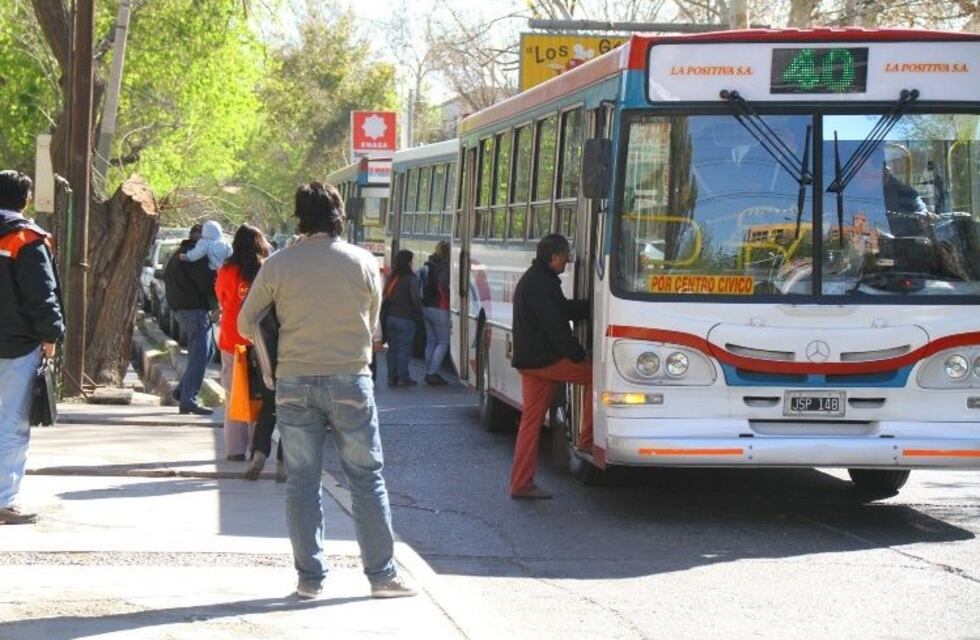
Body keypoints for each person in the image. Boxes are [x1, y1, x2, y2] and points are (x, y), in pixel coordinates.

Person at [238, 181, 415, 600]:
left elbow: (245, 324)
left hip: (293, 383)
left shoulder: (278, 264)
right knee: (366, 479)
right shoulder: (363, 261)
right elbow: (373, 326)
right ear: (339, 215)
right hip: (351, 379)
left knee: (302, 482)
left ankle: (310, 580)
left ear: (300, 216)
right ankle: (382, 577)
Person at [0, 170, 64, 525]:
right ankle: (3, 500)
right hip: (17, 346)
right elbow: (42, 295)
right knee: (11, 423)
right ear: (24, 200)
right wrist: (51, 336)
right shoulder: (26, 238)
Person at [509, 234, 592, 500]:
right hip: (546, 361)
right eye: (565, 256)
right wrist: (578, 354)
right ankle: (587, 441)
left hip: (529, 361)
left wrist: (591, 307)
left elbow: (561, 309)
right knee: (598, 377)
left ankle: (521, 483)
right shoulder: (542, 283)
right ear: (553, 257)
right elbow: (557, 328)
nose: (567, 261)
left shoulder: (535, 279)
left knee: (530, 423)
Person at [215, 224, 273, 464]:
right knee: (260, 395)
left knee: (233, 394)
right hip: (260, 341)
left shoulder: (227, 270)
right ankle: (256, 446)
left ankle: (234, 449)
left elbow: (222, 299)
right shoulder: (266, 269)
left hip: (232, 340)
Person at [164, 225, 217, 416]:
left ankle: (182, 391)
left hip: (185, 310)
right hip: (195, 311)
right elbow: (206, 283)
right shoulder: (194, 257)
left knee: (208, 352)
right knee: (199, 356)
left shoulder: (179, 254)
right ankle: (188, 400)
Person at [383, 249, 422, 387]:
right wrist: (419, 313)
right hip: (406, 319)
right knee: (404, 349)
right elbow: (415, 299)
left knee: (392, 349)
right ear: (409, 262)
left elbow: (385, 296)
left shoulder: (391, 277)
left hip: (390, 318)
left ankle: (391, 377)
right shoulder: (411, 279)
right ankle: (402, 378)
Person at [421, 241, 451, 385]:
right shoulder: (445, 266)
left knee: (431, 341)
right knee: (443, 342)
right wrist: (450, 301)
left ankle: (429, 371)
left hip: (426, 306)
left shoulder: (429, 263)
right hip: (440, 307)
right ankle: (432, 373)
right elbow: (444, 285)